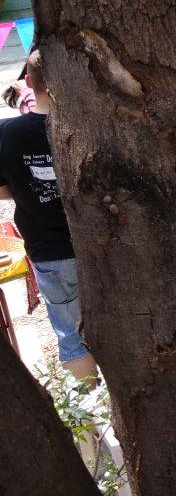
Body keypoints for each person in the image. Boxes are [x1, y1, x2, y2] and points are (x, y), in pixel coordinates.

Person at [0, 51, 97, 382]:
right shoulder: (90, 126)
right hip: (100, 243)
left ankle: (88, 404)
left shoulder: (8, 134)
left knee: (71, 336)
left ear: (29, 82)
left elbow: (3, 190)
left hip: (50, 250)